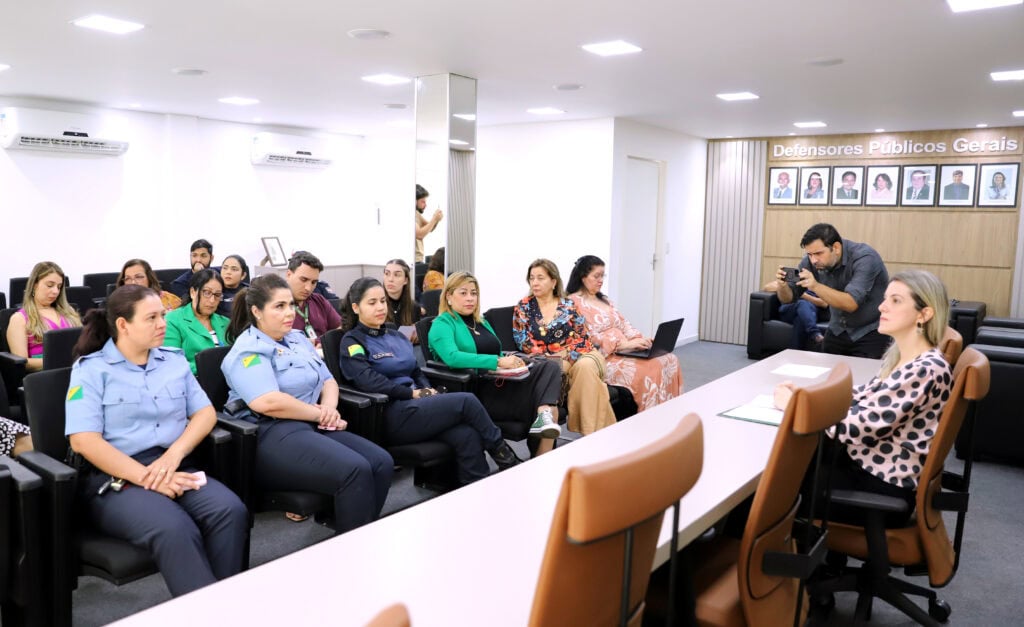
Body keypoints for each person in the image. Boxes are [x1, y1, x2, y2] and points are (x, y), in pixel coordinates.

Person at [65, 285, 248, 597]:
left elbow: (204, 413)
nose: (163, 323)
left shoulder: (173, 360)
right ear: (123, 325)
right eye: (151, 318)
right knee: (174, 529)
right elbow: (84, 441)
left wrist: (174, 455)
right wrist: (149, 478)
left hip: (172, 464)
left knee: (230, 510)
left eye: (162, 315)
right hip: (117, 479)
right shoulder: (92, 371)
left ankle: (222, 606)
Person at [775, 270, 953, 527]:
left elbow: (853, 429)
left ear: (924, 314)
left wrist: (794, 406)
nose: (882, 307)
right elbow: (861, 396)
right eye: (885, 299)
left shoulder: (926, 368)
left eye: (896, 301)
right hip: (865, 466)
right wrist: (805, 396)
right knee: (788, 467)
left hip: (879, 486)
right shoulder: (903, 357)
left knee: (773, 485)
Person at [221, 274, 393, 532]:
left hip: (311, 424)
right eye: (279, 306)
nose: (289, 312)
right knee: (354, 469)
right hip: (272, 433)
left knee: (381, 462)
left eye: (290, 305)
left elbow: (328, 380)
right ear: (256, 311)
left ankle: (349, 529)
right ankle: (355, 548)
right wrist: (319, 414)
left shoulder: (297, 339)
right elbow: (268, 402)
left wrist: (330, 409)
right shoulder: (248, 351)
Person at [338, 277, 520, 485]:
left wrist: (426, 389)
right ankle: (507, 458)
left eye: (382, 301)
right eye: (372, 303)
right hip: (390, 413)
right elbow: (367, 381)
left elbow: (415, 371)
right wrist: (411, 393)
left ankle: (478, 490)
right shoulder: (352, 341)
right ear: (355, 307)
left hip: (417, 407)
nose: (380, 307)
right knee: (466, 401)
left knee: (467, 435)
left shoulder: (395, 336)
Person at [428, 271, 563, 445]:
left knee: (549, 366)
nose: (470, 298)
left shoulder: (481, 321)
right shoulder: (442, 324)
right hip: (478, 392)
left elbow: (496, 351)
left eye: (474, 293)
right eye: (463, 293)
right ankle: (543, 425)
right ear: (448, 296)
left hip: (501, 383)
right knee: (549, 405)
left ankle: (543, 416)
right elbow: (452, 358)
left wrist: (512, 361)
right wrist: (498, 361)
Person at [513, 259, 616, 435]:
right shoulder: (523, 307)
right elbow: (524, 342)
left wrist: (567, 355)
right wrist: (555, 356)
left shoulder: (568, 304)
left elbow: (582, 336)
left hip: (582, 353)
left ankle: (590, 434)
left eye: (540, 278)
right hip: (550, 361)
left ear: (553, 282)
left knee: (585, 367)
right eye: (532, 278)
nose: (535, 282)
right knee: (587, 376)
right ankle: (598, 436)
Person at [566, 256, 682, 411]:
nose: (601, 280)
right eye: (596, 276)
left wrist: (640, 340)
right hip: (603, 356)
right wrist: (623, 345)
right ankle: (648, 420)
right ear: (582, 276)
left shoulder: (604, 299)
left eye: (603, 276)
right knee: (650, 368)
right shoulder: (572, 303)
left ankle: (666, 414)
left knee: (669, 359)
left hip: (624, 351)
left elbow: (624, 324)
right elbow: (589, 338)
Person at [776, 223, 889, 358]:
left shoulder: (865, 258)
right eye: (809, 254)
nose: (813, 260)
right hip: (836, 330)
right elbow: (788, 298)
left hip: (869, 332)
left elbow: (851, 303)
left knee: (863, 378)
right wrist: (782, 287)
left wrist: (815, 286)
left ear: (835, 247)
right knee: (826, 375)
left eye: (818, 253)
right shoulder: (811, 261)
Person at [6, 261, 82, 372]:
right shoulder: (19, 319)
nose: (55, 291)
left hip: (76, 373)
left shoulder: (69, 312)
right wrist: (61, 361)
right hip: (45, 378)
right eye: (50, 285)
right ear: (35, 285)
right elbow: (22, 362)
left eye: (59, 287)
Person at [163, 270, 231, 375]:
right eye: (207, 293)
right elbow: (172, 363)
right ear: (193, 292)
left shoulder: (226, 322)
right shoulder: (172, 320)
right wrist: (214, 367)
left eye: (217, 295)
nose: (212, 300)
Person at [285, 251, 341, 348]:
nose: (308, 288)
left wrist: (323, 341)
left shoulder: (319, 300)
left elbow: (341, 327)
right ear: (289, 275)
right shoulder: (277, 305)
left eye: (314, 282)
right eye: (303, 280)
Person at [763, 280, 827, 349]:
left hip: (808, 313)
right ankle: (814, 333)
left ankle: (793, 352)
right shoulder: (794, 279)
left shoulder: (820, 284)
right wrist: (786, 289)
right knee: (802, 304)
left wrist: (803, 296)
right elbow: (767, 287)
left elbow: (824, 304)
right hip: (789, 310)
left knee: (800, 318)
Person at [382, 258, 423, 334]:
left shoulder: (414, 307)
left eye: (397, 275)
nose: (390, 279)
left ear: (405, 280)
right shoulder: (377, 306)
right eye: (387, 274)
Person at [415, 184, 443, 263]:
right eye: (423, 202)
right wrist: (434, 219)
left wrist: (436, 219)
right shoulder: (412, 214)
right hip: (414, 260)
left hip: (418, 259)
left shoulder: (417, 214)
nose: (425, 205)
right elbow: (419, 235)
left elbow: (430, 228)